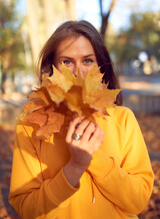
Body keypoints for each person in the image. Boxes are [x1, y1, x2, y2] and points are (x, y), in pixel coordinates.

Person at [9, 20, 154, 219]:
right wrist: (74, 168)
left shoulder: (123, 119)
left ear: (101, 66)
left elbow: (138, 201)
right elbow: (28, 209)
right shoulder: (31, 126)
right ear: (51, 68)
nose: (78, 71)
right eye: (66, 62)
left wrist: (94, 159)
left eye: (87, 60)